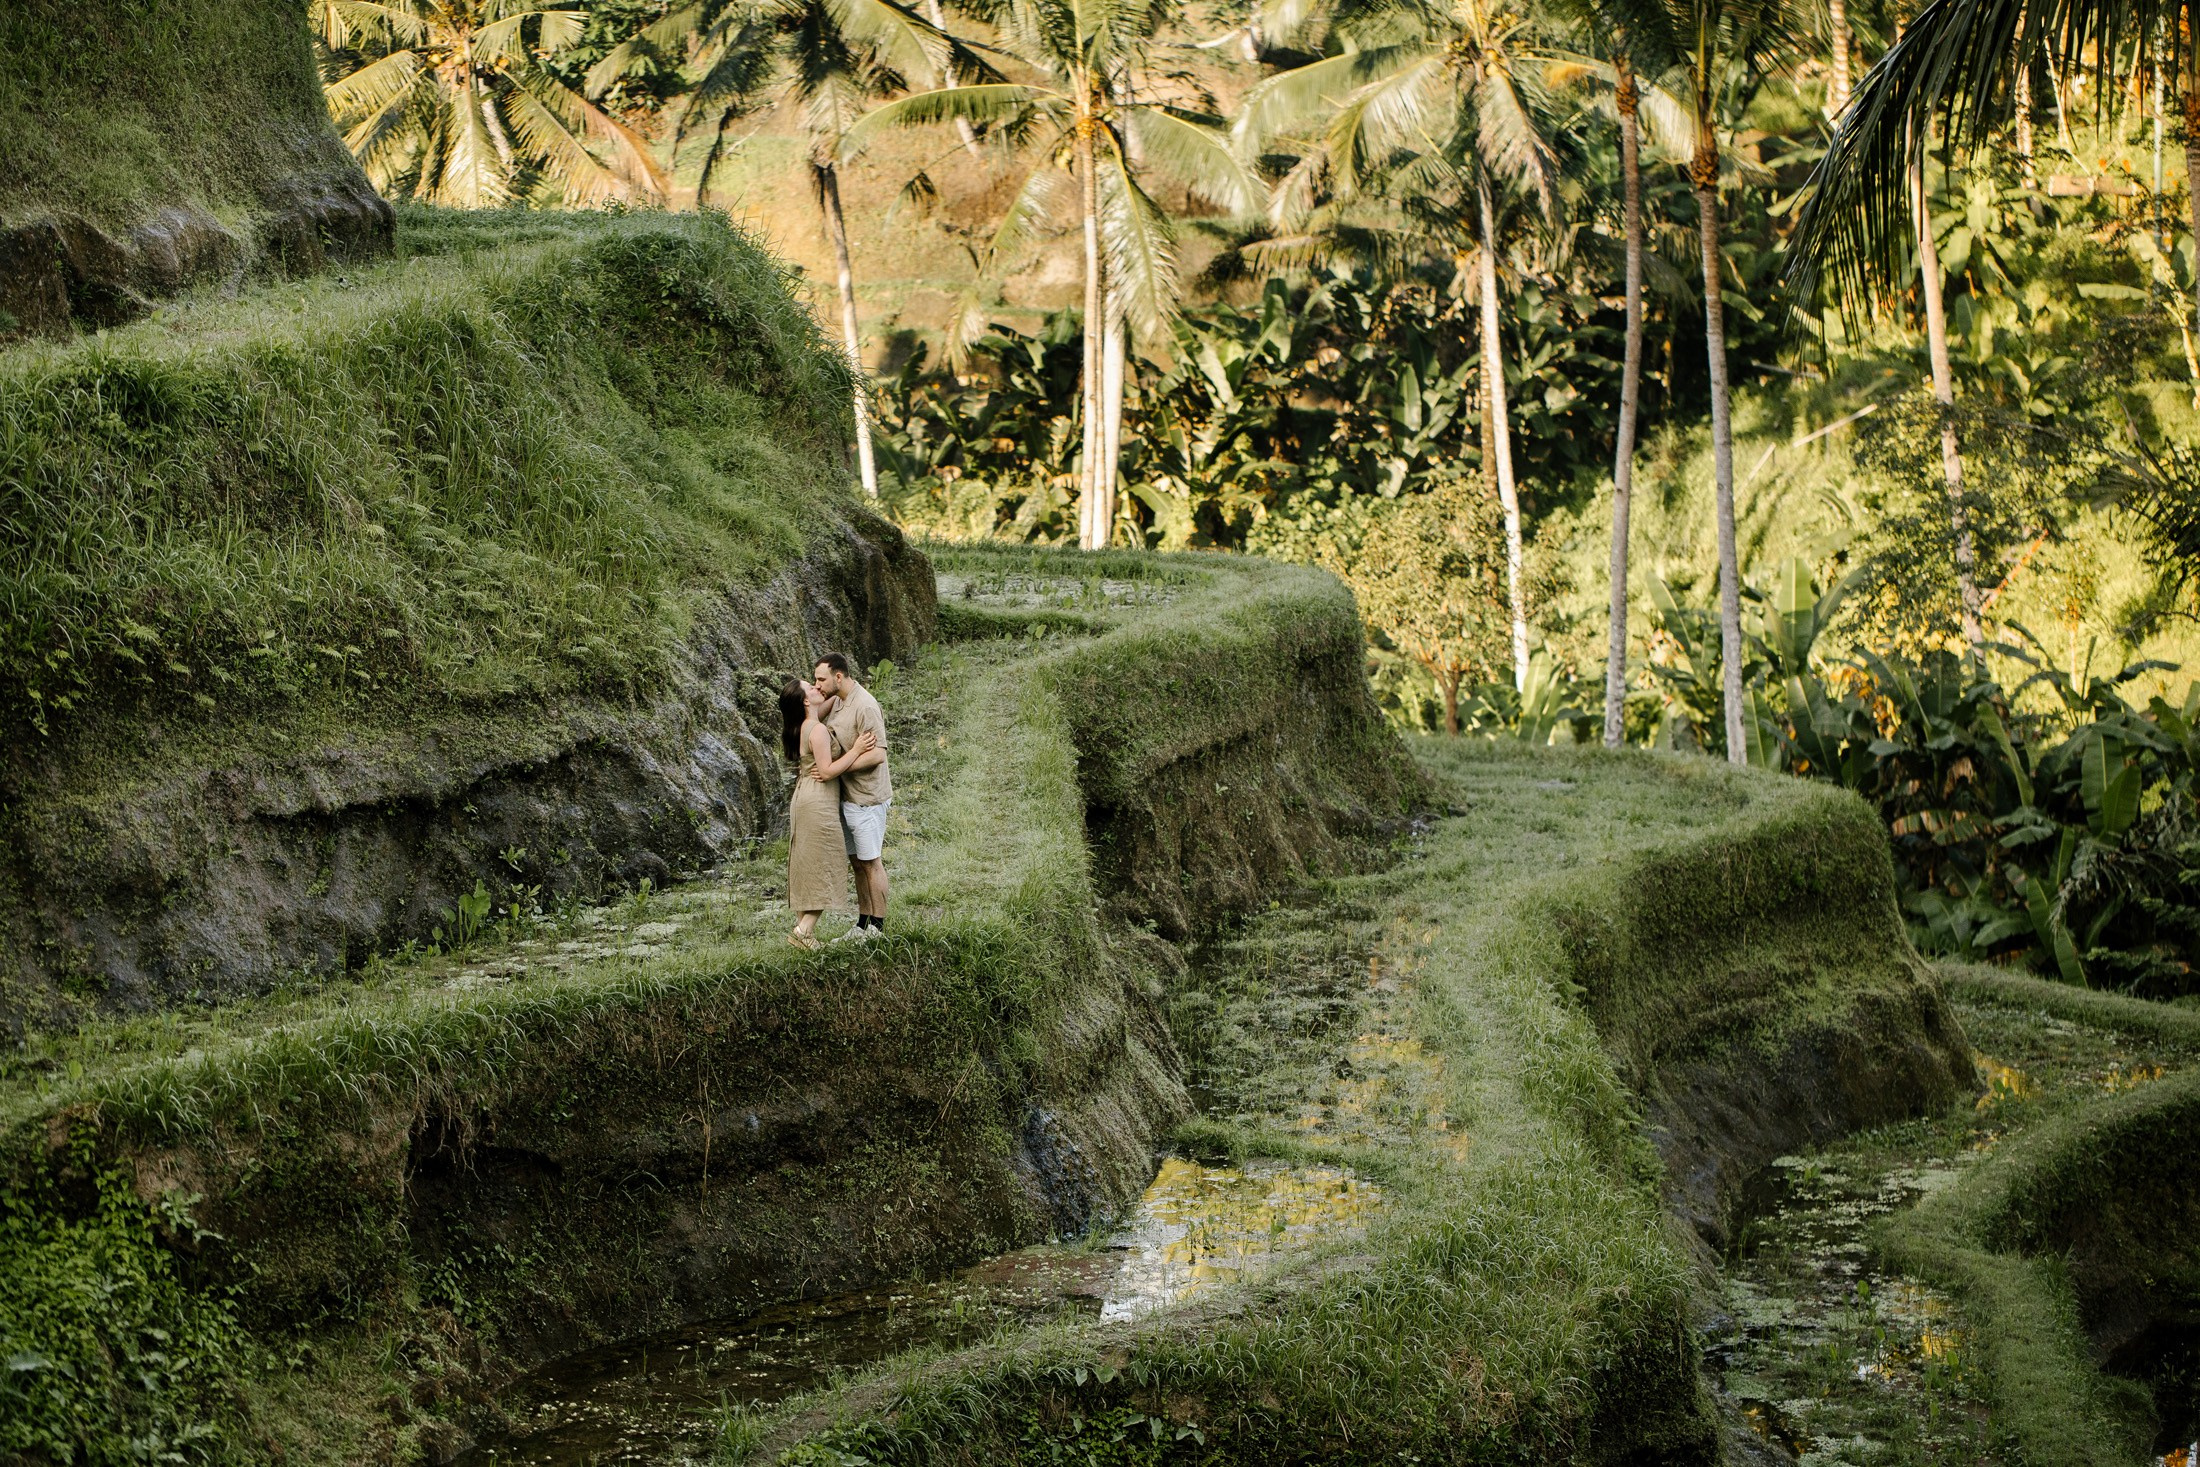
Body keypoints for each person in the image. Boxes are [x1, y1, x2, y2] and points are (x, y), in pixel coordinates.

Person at [778, 678, 876, 949]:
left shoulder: (804, 723)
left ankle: (807, 937)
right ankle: (802, 930)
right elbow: (828, 771)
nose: (817, 687)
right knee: (825, 864)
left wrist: (849, 685)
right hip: (818, 801)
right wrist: (856, 750)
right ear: (806, 701)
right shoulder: (817, 730)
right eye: (811, 688)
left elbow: (832, 695)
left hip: (804, 797)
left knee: (808, 865)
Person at [813, 652, 892, 940]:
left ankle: (878, 928)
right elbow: (808, 719)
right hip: (847, 798)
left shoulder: (865, 705)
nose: (817, 684)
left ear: (839, 676)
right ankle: (862, 925)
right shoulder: (836, 701)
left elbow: (878, 755)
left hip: (868, 798)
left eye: (821, 679)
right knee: (857, 863)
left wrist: (836, 769)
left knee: (872, 862)